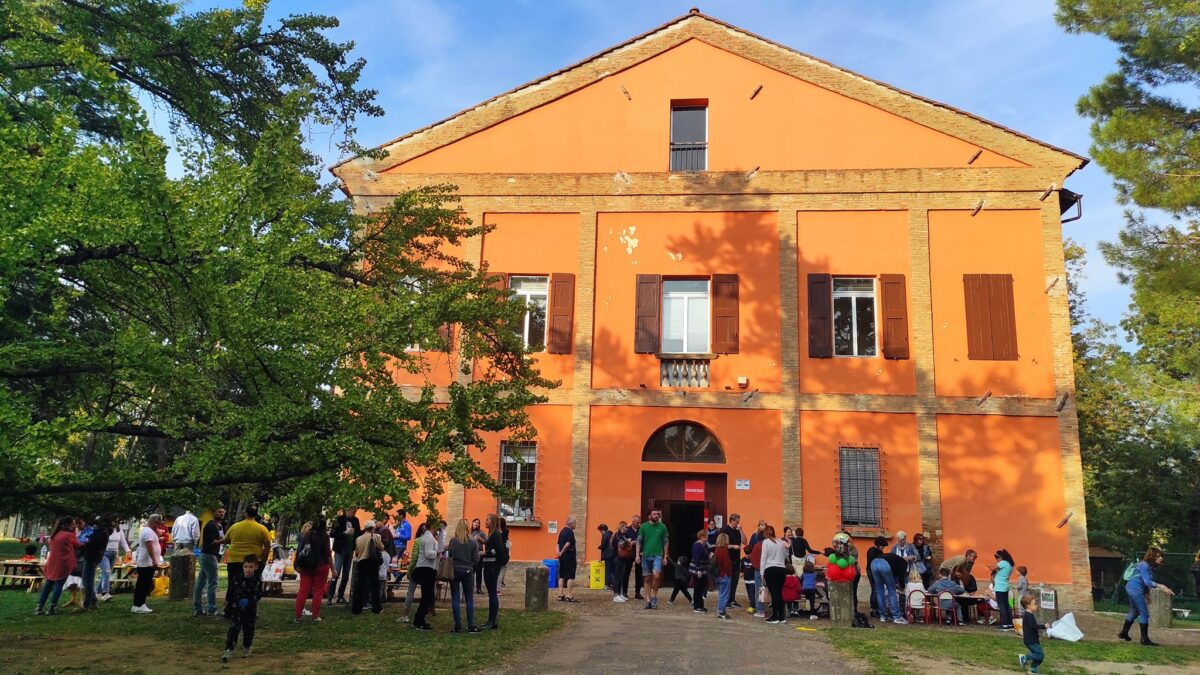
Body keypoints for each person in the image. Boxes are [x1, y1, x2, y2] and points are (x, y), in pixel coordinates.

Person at [1119, 547, 1175, 646]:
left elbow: (1144, 583)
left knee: (1134, 612)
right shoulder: (1144, 565)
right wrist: (1163, 586)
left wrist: (1147, 594)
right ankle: (1144, 640)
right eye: (1158, 556)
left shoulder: (1149, 567)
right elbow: (1147, 582)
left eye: (1161, 556)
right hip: (1135, 589)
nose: (1161, 558)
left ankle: (1123, 633)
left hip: (1133, 589)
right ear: (1152, 556)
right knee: (1144, 614)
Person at [34, 517, 80, 616]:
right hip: (63, 563)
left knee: (48, 584)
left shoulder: (54, 534)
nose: (75, 525)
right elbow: (78, 545)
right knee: (59, 584)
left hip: (52, 562)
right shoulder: (70, 535)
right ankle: (52, 607)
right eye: (73, 523)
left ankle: (39, 607)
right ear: (68, 524)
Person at [222, 555, 263, 662]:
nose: (248, 569)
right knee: (234, 628)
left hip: (250, 609)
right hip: (236, 608)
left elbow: (258, 594)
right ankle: (229, 649)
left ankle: (246, 647)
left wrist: (249, 601)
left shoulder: (257, 581)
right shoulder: (237, 578)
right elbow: (230, 590)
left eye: (250, 567)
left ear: (256, 567)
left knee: (248, 629)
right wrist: (228, 602)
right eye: (246, 567)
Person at [225, 507, 271, 596]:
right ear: (256, 515)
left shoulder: (235, 526)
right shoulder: (262, 528)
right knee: (252, 585)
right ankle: (249, 603)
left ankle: (230, 604)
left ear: (245, 514)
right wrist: (263, 559)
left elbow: (227, 540)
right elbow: (268, 545)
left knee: (232, 584)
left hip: (234, 560)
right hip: (253, 562)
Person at [294, 519, 332, 622]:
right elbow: (328, 554)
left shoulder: (306, 535)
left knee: (303, 591)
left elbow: (299, 551)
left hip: (306, 567)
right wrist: (333, 569)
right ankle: (315, 615)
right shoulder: (324, 537)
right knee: (318, 592)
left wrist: (297, 564)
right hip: (321, 566)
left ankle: (297, 616)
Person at [446, 518, 481, 632]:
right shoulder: (472, 541)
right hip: (468, 570)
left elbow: (450, 554)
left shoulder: (453, 541)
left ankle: (457, 625)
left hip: (455, 569)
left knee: (455, 597)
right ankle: (471, 625)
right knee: (469, 598)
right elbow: (476, 559)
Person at [194, 506, 226, 617]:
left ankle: (198, 608)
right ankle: (212, 609)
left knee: (201, 582)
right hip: (209, 555)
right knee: (213, 582)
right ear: (214, 513)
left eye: (223, 512)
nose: (221, 514)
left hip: (209, 555)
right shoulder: (211, 526)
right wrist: (224, 541)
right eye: (219, 512)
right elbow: (210, 542)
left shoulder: (219, 526)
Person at [128, 515, 163, 614]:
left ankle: (136, 604)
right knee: (144, 584)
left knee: (140, 583)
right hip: (147, 562)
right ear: (154, 522)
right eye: (158, 524)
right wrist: (154, 560)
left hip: (144, 562)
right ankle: (140, 604)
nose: (159, 526)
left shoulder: (146, 530)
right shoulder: (148, 532)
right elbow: (150, 547)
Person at [411, 520, 440, 631]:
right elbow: (428, 554)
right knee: (426, 596)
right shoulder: (428, 538)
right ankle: (418, 620)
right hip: (425, 569)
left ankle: (420, 619)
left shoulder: (430, 537)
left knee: (427, 596)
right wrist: (437, 552)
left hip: (428, 568)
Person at [868, 536, 905, 623]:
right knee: (891, 591)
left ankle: (883, 616)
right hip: (884, 565)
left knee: (879, 591)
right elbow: (901, 575)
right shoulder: (903, 563)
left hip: (873, 564)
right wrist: (901, 585)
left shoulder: (891, 557)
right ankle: (896, 617)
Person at [637, 509, 669, 609]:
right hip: (646, 555)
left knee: (656, 575)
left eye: (657, 514)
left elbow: (666, 542)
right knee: (647, 578)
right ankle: (648, 600)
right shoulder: (644, 526)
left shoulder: (662, 527)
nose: (656, 516)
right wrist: (637, 555)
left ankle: (654, 595)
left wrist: (665, 556)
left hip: (658, 555)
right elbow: (639, 541)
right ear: (649, 516)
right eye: (654, 514)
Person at [351, 519, 384, 615]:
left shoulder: (358, 538)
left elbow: (357, 553)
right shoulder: (375, 537)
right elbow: (382, 547)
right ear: (373, 528)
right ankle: (376, 608)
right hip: (372, 562)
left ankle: (356, 608)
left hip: (361, 563)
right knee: (374, 586)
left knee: (360, 585)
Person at [398, 522, 428, 624]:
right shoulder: (432, 541)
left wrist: (409, 570)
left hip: (417, 568)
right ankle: (423, 615)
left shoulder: (418, 541)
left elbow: (414, 558)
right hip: (428, 570)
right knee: (426, 593)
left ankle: (405, 615)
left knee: (410, 591)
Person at [760, 525, 790, 624]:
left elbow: (763, 558)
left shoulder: (766, 542)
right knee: (779, 592)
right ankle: (782, 616)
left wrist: (762, 572)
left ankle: (775, 616)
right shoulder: (780, 542)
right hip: (781, 569)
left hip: (770, 568)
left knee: (774, 593)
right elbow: (785, 555)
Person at [80, 516, 110, 610]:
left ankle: (87, 603)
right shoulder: (104, 531)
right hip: (95, 556)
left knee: (87, 581)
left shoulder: (99, 532)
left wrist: (83, 544)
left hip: (91, 556)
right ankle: (93, 601)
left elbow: (91, 544)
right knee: (87, 580)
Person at [481, 513, 505, 630]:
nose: (485, 522)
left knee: (492, 594)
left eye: (487, 520)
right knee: (491, 593)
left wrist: (487, 552)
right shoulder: (491, 533)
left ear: (493, 522)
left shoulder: (496, 533)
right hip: (488, 564)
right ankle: (491, 619)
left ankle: (492, 620)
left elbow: (499, 549)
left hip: (492, 565)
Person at [328, 514, 358, 603]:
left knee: (346, 575)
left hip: (350, 550)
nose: (355, 511)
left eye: (356, 509)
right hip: (340, 549)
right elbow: (332, 534)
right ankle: (330, 595)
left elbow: (358, 533)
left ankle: (340, 596)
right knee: (336, 573)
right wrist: (344, 532)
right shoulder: (339, 519)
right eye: (353, 509)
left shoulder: (355, 520)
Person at [98, 520, 129, 602]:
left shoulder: (119, 531)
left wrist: (128, 551)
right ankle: (105, 593)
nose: (116, 523)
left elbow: (123, 542)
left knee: (106, 573)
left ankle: (98, 592)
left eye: (118, 522)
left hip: (114, 553)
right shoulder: (105, 530)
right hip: (104, 553)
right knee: (107, 571)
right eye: (115, 521)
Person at [1018, 594, 1051, 673]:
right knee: (1040, 655)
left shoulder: (1029, 615)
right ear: (1028, 605)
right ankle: (1024, 657)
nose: (1036, 605)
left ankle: (1034, 669)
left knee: (1039, 656)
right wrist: (1044, 626)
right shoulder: (1028, 615)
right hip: (1031, 641)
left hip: (1033, 640)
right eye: (1034, 604)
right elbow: (1033, 626)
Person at [989, 549, 1016, 630]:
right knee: (1007, 605)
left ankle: (1004, 624)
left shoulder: (1003, 562)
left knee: (1002, 606)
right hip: (1005, 586)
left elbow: (993, 568)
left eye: (997, 558)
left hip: (1000, 587)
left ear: (1001, 557)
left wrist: (989, 566)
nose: (997, 560)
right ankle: (1009, 623)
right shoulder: (1010, 565)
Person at [556, 515, 579, 602]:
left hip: (562, 557)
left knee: (561, 575)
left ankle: (560, 594)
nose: (576, 525)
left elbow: (557, 544)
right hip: (569, 556)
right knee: (570, 576)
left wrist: (558, 553)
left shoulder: (562, 531)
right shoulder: (570, 532)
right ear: (571, 523)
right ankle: (569, 595)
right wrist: (562, 552)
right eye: (575, 523)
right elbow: (568, 544)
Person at [611, 521, 632, 602]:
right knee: (617, 576)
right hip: (618, 558)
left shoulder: (623, 535)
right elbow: (622, 543)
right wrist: (628, 541)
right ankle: (616, 595)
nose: (626, 529)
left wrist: (627, 540)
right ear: (621, 527)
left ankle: (620, 594)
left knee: (621, 576)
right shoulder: (618, 535)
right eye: (625, 527)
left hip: (622, 558)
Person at [714, 533, 734, 621]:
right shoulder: (724, 551)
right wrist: (730, 573)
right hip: (724, 575)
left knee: (721, 593)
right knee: (725, 594)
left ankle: (721, 610)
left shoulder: (717, 550)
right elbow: (726, 565)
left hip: (718, 574)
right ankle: (721, 611)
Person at [689, 531, 710, 613]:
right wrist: (698, 570)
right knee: (698, 588)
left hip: (703, 569)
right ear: (702, 537)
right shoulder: (698, 545)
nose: (708, 538)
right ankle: (697, 607)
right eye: (706, 536)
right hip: (698, 569)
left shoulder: (703, 545)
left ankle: (701, 605)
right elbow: (697, 558)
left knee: (701, 588)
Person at [629, 515, 644, 599]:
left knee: (639, 574)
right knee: (626, 573)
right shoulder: (627, 529)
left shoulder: (641, 530)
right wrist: (632, 542)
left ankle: (637, 593)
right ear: (633, 522)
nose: (639, 524)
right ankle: (624, 592)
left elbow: (644, 540)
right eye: (637, 522)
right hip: (629, 554)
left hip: (639, 554)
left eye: (639, 522)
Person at [469, 517, 485, 594]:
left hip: (479, 554)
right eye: (475, 522)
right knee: (471, 571)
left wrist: (479, 539)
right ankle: (470, 587)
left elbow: (485, 542)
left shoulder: (481, 532)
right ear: (472, 523)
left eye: (478, 523)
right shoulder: (468, 532)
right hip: (470, 554)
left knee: (479, 572)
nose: (476, 523)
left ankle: (478, 588)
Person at [597, 523, 614, 591]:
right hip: (613, 554)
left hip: (608, 555)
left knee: (608, 571)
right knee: (613, 570)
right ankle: (613, 584)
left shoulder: (605, 535)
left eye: (600, 531)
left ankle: (607, 585)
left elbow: (603, 545)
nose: (600, 532)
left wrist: (599, 547)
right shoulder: (611, 534)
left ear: (602, 529)